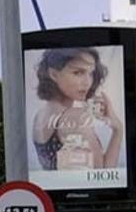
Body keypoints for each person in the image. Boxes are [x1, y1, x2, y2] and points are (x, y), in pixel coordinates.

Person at [30, 46, 123, 182]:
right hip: (83, 201)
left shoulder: (39, 116)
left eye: (90, 73)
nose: (87, 82)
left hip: (54, 197)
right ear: (54, 75)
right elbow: (103, 176)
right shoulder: (75, 117)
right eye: (78, 73)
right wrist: (118, 129)